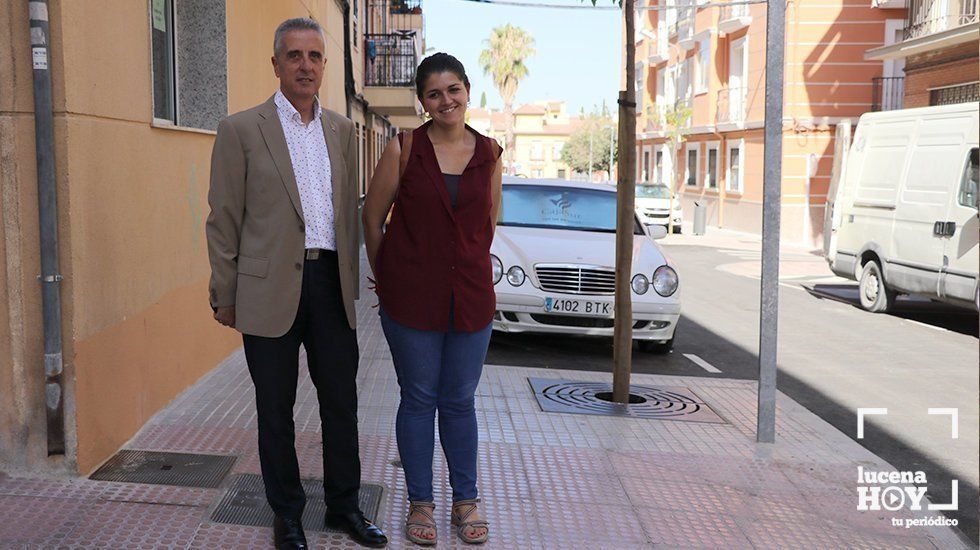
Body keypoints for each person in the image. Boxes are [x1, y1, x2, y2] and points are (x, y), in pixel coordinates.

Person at [206, 17, 387, 550]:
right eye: (294, 56)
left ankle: (344, 508)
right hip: (267, 291)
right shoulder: (241, 129)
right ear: (276, 64)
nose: (305, 65)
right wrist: (226, 290)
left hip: (330, 284)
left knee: (340, 404)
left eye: (314, 56)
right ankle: (286, 516)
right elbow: (223, 219)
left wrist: (360, 281)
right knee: (275, 409)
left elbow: (347, 213)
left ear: (324, 66)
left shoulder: (340, 129)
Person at [361, 53, 503, 545]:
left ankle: (466, 502)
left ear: (468, 91)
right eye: (434, 93)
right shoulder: (404, 148)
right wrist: (389, 278)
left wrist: (465, 270)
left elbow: (488, 225)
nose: (446, 101)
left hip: (471, 300)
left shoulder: (491, 153)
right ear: (422, 101)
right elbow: (372, 219)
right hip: (411, 302)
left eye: (453, 90)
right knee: (419, 399)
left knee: (460, 401)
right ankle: (420, 503)